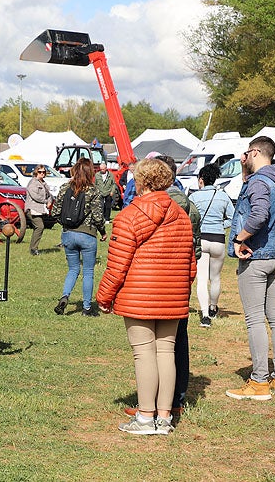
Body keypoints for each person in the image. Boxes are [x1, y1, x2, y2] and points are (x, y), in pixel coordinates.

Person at [96, 158, 197, 436]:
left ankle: (144, 417)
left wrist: (104, 297)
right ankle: (164, 418)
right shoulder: (181, 215)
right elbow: (191, 264)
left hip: (140, 295)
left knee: (144, 355)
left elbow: (117, 265)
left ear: (140, 181)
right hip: (173, 295)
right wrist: (180, 289)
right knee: (166, 352)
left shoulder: (129, 215)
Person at [226, 136, 275, 401]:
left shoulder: (258, 182)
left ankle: (258, 382)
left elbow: (258, 213)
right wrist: (245, 173)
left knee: (254, 319)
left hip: (256, 258)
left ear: (254, 152)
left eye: (246, 154)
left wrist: (239, 238)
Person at [154, 154, 200, 415]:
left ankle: (158, 401)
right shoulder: (190, 205)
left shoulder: (159, 205)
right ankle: (177, 398)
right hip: (182, 278)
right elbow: (197, 247)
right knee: (178, 339)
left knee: (156, 344)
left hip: (158, 280)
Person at [51, 158, 106, 317]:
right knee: (88, 271)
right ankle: (87, 308)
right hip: (87, 235)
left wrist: (65, 225)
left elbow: (55, 212)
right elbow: (97, 216)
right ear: (91, 173)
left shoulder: (64, 188)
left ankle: (65, 296)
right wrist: (102, 232)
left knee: (73, 269)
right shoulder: (93, 191)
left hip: (68, 234)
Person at [188, 163, 235, 327]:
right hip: (218, 239)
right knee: (215, 277)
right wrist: (220, 226)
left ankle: (205, 315)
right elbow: (232, 217)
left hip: (201, 239)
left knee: (201, 278)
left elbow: (189, 218)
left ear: (201, 180)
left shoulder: (194, 197)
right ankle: (213, 307)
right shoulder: (223, 196)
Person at [25, 164, 52, 256]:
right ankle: (33, 249)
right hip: (32, 208)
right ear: (36, 172)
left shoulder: (44, 183)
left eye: (44, 172)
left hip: (40, 209)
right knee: (39, 226)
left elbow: (49, 195)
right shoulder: (33, 183)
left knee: (38, 227)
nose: (42, 174)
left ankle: (33, 248)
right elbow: (35, 196)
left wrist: (49, 201)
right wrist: (45, 201)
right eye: (40, 172)